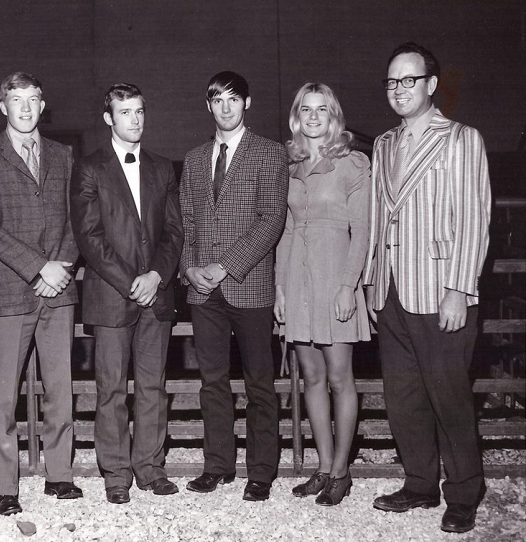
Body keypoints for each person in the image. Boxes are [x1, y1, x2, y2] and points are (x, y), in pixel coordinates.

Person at [363, 42, 491, 534]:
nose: (398, 90)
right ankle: (419, 483)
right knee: (404, 396)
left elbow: (474, 219)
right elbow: (379, 221)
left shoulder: (461, 139)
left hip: (440, 292)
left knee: (449, 396)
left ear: (431, 85)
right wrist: (373, 283)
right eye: (392, 81)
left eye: (408, 80)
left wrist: (459, 288)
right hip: (393, 292)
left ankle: (463, 492)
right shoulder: (384, 144)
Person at [0, 72, 81, 516]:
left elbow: (76, 221)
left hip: (59, 290)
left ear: (42, 103)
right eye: (17, 100)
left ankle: (60, 476)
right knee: (2, 395)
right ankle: (6, 486)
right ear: (3, 107)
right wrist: (38, 268)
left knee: (60, 388)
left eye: (34, 98)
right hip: (11, 289)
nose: (27, 108)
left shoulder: (62, 155)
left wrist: (60, 267)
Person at [70, 83, 183, 504]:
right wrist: (130, 280)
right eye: (125, 112)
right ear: (108, 119)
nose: (134, 120)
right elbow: (89, 236)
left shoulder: (161, 167)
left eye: (139, 111)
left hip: (156, 294)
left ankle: (150, 467)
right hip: (111, 295)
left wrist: (156, 275)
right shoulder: (89, 168)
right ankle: (116, 473)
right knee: (112, 387)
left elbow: (174, 231)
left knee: (153, 385)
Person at [179, 71, 288, 501]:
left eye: (232, 99)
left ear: (247, 103)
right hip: (203, 291)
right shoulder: (193, 158)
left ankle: (261, 471)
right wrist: (190, 269)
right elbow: (186, 222)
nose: (225, 107)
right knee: (212, 381)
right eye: (216, 100)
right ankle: (218, 465)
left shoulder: (270, 153)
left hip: (249, 285)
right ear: (208, 106)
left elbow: (271, 220)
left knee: (260, 383)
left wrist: (225, 266)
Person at [274, 83, 371, 506]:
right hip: (297, 276)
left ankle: (342, 470)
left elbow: (362, 230)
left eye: (322, 109)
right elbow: (286, 230)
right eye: (305, 109)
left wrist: (348, 285)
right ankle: (323, 466)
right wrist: (279, 287)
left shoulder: (353, 163)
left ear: (334, 115)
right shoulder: (289, 162)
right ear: (297, 116)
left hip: (336, 277)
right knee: (310, 377)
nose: (313, 117)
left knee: (338, 376)